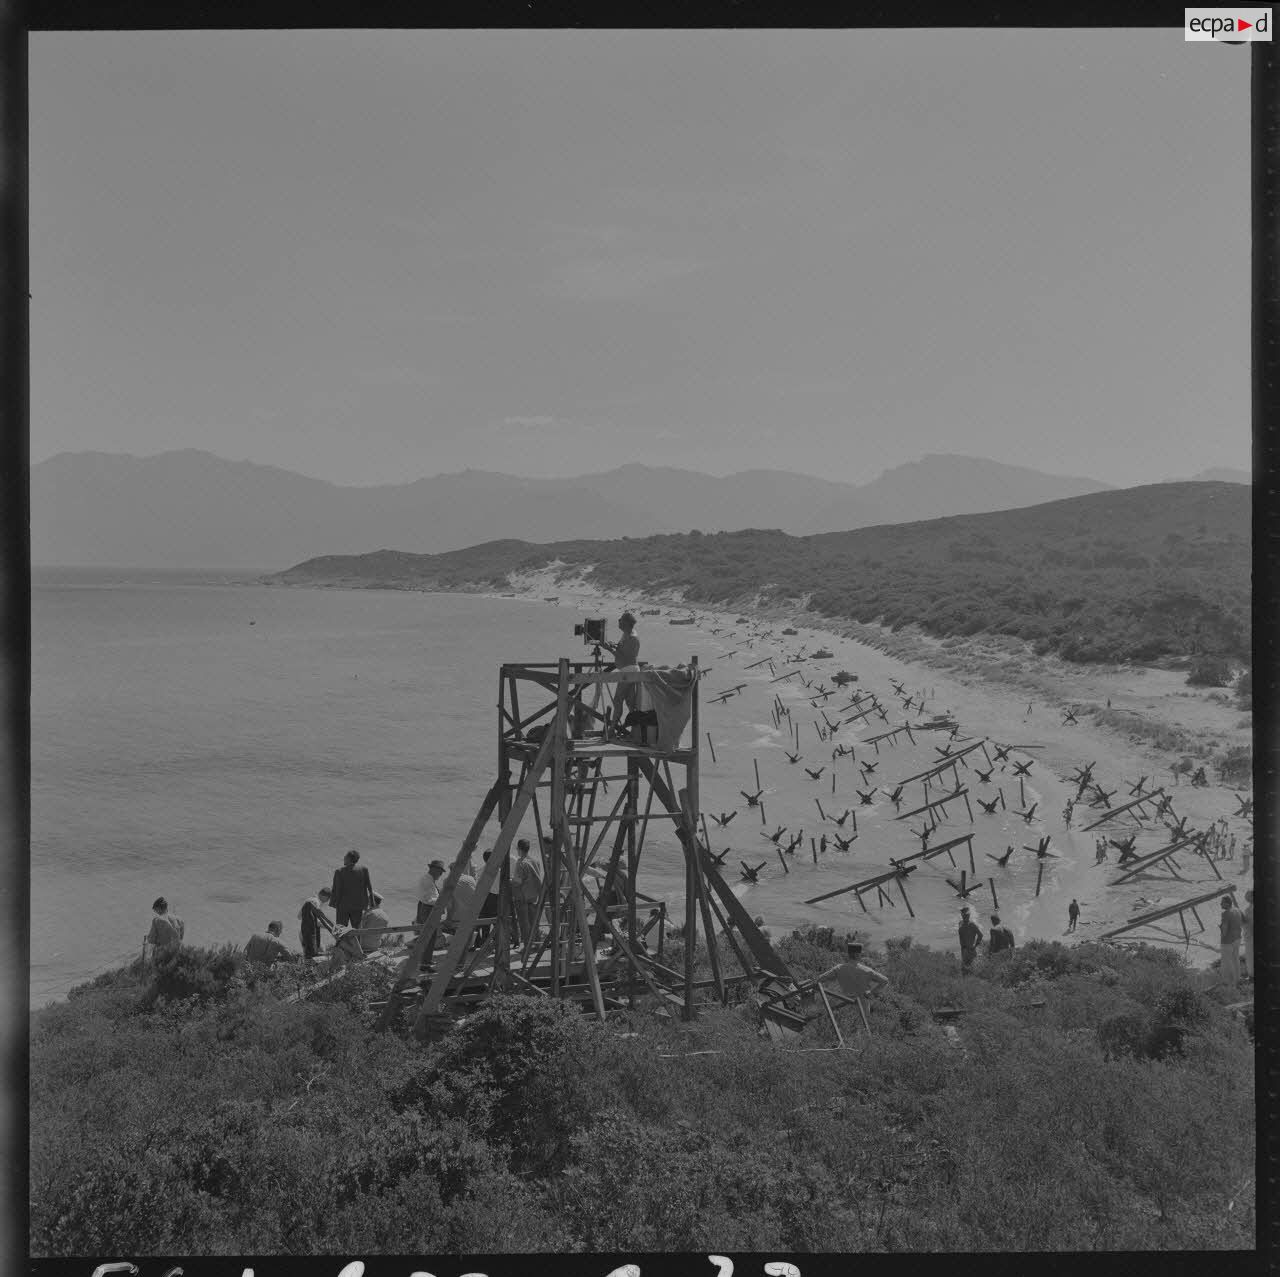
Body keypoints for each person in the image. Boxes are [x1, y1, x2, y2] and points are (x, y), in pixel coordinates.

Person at [816, 940, 888, 1034]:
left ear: (848, 954)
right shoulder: (866, 970)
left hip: (845, 1003)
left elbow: (820, 979)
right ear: (858, 955)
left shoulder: (839, 968)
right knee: (862, 1030)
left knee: (846, 1029)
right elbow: (885, 980)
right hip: (863, 1004)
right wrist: (872, 992)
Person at [602, 611, 641, 723]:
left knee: (618, 700)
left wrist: (609, 649)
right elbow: (622, 649)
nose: (619, 622)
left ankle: (613, 729)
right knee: (630, 701)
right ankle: (635, 729)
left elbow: (623, 657)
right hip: (628, 670)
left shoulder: (632, 638)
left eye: (621, 620)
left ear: (627, 623)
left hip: (628, 671)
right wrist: (613, 645)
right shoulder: (627, 634)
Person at [330, 849, 375, 928]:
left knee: (341, 930)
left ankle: (343, 941)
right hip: (358, 906)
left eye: (345, 856)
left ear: (348, 859)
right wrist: (372, 904)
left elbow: (337, 889)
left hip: (343, 906)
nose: (344, 858)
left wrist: (333, 903)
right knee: (357, 930)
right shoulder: (364, 870)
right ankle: (357, 941)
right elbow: (369, 887)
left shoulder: (339, 871)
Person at [416, 859, 447, 971]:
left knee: (430, 936)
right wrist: (442, 899)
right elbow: (427, 899)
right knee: (430, 936)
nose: (440, 874)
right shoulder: (428, 881)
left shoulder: (429, 879)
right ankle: (425, 964)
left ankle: (426, 960)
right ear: (434, 870)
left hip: (427, 909)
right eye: (440, 872)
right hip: (428, 910)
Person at [511, 838, 544, 945]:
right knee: (534, 923)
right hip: (534, 896)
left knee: (524, 924)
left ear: (519, 849)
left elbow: (518, 882)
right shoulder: (536, 861)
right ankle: (537, 944)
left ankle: (527, 947)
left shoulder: (521, 863)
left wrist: (510, 881)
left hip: (522, 896)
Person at [299, 887, 333, 958]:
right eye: (328, 899)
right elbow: (316, 922)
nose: (327, 901)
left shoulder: (310, 900)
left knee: (307, 953)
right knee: (318, 952)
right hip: (309, 934)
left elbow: (299, 916)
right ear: (324, 896)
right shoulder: (315, 902)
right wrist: (330, 928)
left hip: (302, 932)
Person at [1219, 893, 1243, 990]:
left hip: (1227, 941)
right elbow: (1243, 921)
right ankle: (1237, 980)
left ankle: (1227, 983)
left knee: (1226, 962)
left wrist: (1221, 933)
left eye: (1222, 903)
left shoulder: (1225, 914)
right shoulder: (1237, 910)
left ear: (1227, 904)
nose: (1220, 904)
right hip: (1237, 938)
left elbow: (1224, 929)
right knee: (1235, 960)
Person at [476, 851, 501, 945]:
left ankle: (485, 941)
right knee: (497, 921)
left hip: (484, 898)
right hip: (496, 898)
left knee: (484, 921)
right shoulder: (500, 871)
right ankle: (498, 941)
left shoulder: (479, 871)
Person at [957, 907, 983, 971]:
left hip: (971, 949)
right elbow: (961, 936)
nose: (966, 916)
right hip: (963, 950)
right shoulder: (960, 923)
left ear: (969, 915)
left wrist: (975, 945)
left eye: (967, 915)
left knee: (972, 969)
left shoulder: (972, 925)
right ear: (961, 915)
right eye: (964, 914)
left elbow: (980, 935)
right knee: (964, 970)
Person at [1241, 889, 1254, 982]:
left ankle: (1252, 976)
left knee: (1250, 956)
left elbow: (1248, 925)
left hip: (1252, 937)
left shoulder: (1249, 910)